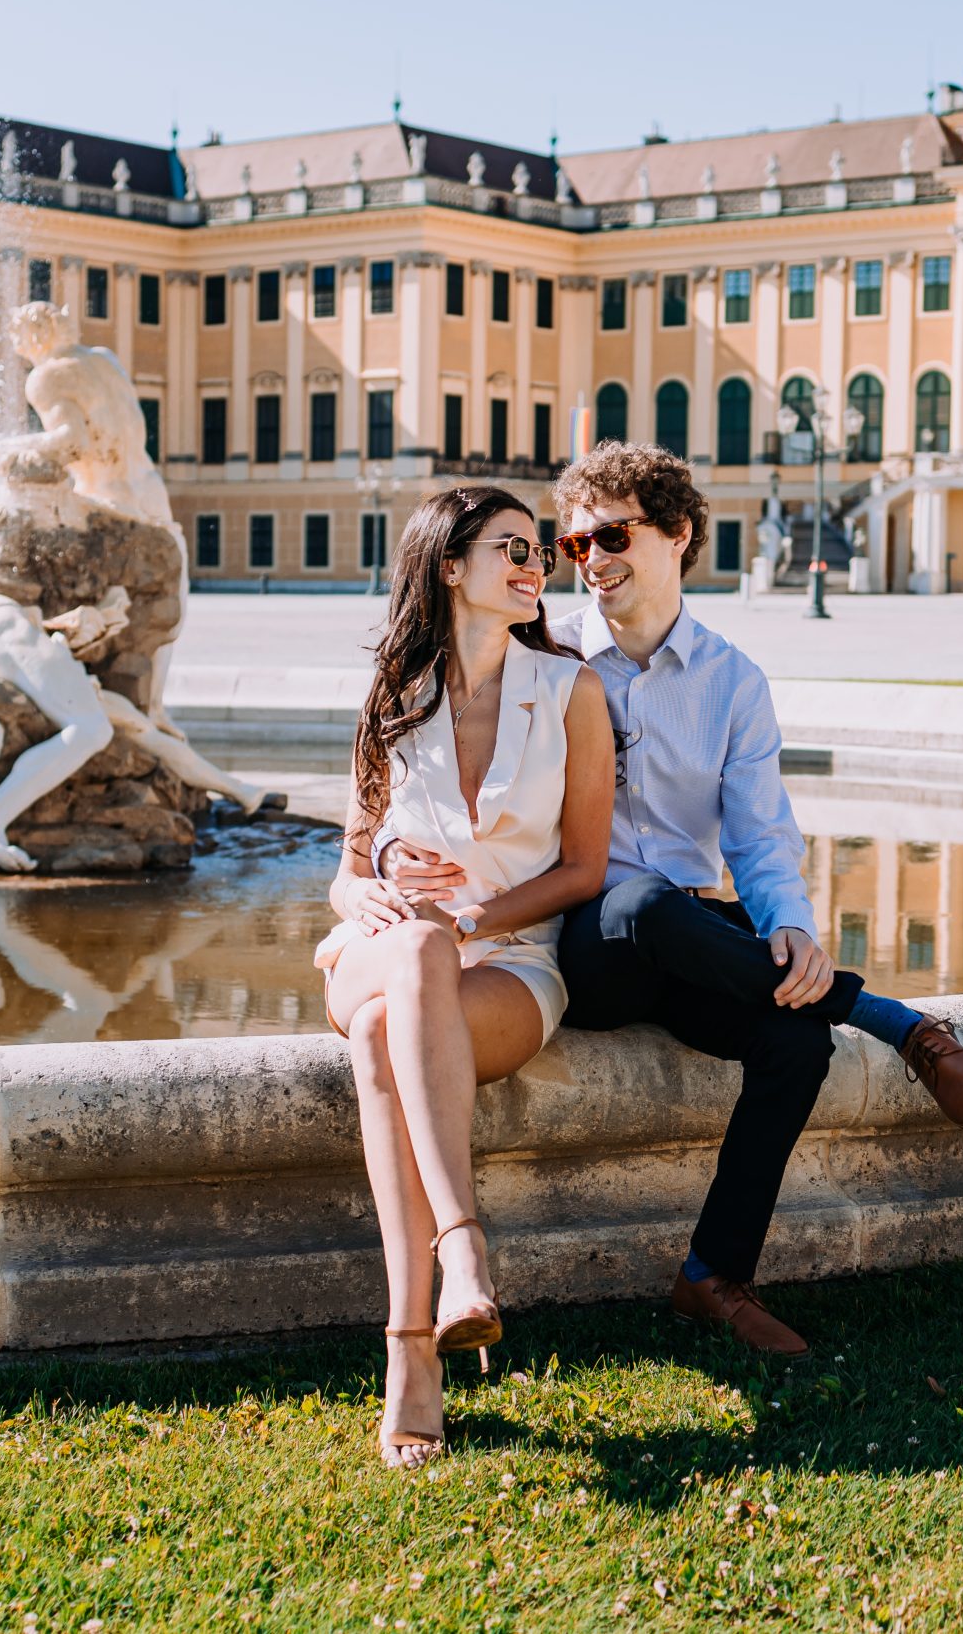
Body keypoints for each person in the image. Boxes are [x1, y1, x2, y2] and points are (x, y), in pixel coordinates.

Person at [383, 443, 963, 1359]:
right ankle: (891, 1017)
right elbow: (444, 776)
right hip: (578, 942)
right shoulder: (547, 662)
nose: (589, 558)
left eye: (612, 534)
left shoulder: (734, 683)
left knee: (794, 1043)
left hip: (693, 936)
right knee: (635, 903)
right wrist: (402, 856)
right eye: (573, 542)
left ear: (678, 535)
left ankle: (711, 1277)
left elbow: (760, 837)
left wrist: (791, 927)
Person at [315, 486, 612, 1468]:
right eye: (511, 549)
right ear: (450, 567)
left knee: (378, 1038)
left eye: (538, 552)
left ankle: (410, 1353)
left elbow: (582, 869)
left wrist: (473, 913)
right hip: (384, 947)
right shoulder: (393, 696)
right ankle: (462, 1247)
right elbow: (349, 869)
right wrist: (368, 896)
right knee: (411, 951)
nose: (537, 565)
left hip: (511, 960)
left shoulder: (571, 692)